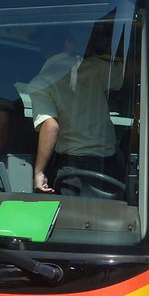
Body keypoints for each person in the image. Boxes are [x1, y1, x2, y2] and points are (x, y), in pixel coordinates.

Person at [29, 30, 125, 195]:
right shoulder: (96, 67)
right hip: (107, 165)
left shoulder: (40, 83)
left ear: (41, 49)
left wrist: (38, 172)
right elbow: (130, 72)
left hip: (71, 169)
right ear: (69, 43)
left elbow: (51, 126)